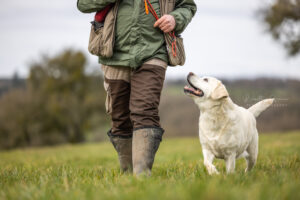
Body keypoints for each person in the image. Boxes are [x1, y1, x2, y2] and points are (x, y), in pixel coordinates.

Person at [77, 0, 196, 176]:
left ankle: (142, 177)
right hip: (113, 53)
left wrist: (175, 18)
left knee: (145, 110)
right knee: (120, 117)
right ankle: (128, 175)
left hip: (154, 51)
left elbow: (188, 6)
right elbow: (83, 4)